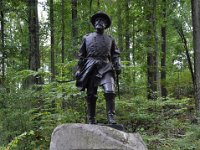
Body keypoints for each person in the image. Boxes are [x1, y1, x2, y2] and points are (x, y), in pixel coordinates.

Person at [75, 12, 121, 124]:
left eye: (102, 20)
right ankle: (92, 119)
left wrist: (118, 64)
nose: (99, 22)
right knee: (91, 94)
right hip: (90, 66)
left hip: (106, 66)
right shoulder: (86, 38)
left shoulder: (110, 39)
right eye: (97, 20)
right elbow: (81, 56)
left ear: (105, 24)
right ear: (94, 23)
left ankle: (111, 118)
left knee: (110, 91)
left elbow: (115, 54)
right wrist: (79, 70)